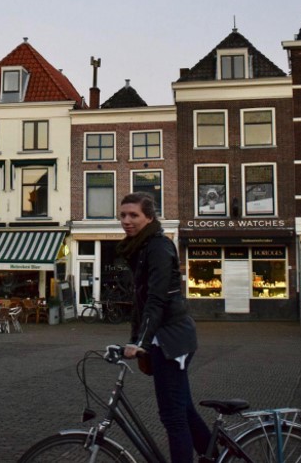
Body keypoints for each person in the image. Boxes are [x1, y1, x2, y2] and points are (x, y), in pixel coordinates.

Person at [116, 192, 211, 463]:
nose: (126, 220)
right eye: (123, 215)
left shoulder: (158, 247)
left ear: (149, 217)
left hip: (171, 340)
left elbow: (156, 299)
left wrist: (141, 343)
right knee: (184, 408)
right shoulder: (140, 247)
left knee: (173, 416)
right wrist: (137, 339)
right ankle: (214, 454)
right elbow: (141, 301)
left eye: (133, 215)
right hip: (165, 339)